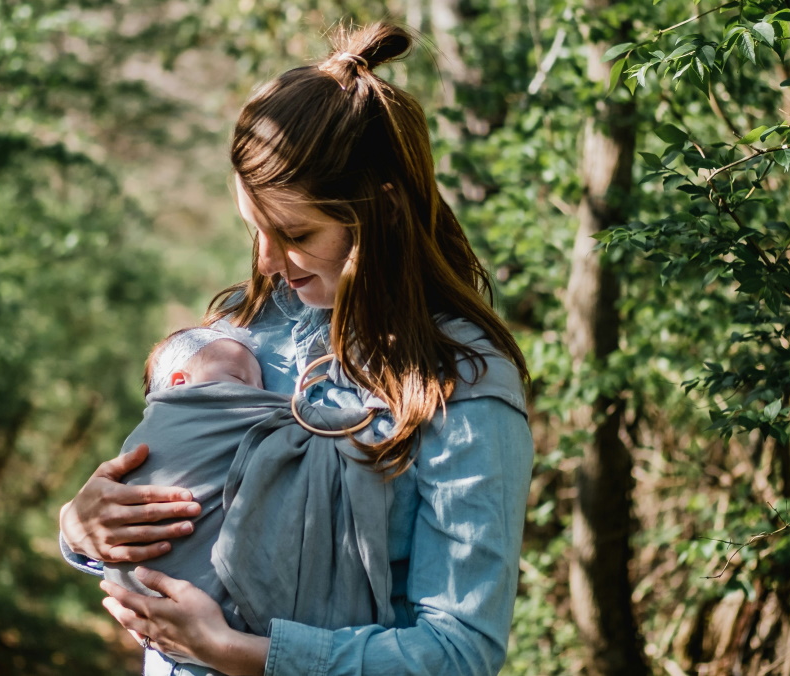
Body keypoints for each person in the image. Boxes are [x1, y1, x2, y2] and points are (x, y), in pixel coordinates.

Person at [59, 21, 535, 676]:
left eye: (294, 233)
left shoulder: (460, 380)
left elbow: (460, 653)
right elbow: (159, 509)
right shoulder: (241, 326)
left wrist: (239, 654)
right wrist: (80, 531)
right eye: (254, 227)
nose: (266, 260)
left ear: (383, 212)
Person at [66, 322, 394, 670]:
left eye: (261, 385)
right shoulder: (235, 330)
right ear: (180, 384)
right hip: (166, 633)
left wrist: (226, 648)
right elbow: (109, 511)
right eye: (241, 383)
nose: (259, 394)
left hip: (247, 647)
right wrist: (71, 528)